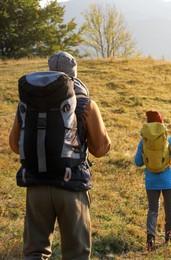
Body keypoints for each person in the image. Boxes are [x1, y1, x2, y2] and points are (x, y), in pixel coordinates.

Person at [9, 51, 111, 259]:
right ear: (74, 72)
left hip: (36, 185)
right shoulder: (85, 103)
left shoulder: (28, 102)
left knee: (34, 253)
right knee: (76, 254)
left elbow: (14, 145)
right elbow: (100, 150)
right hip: (70, 186)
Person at [134, 110, 171, 251]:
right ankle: (169, 237)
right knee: (169, 209)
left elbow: (138, 162)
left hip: (151, 181)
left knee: (153, 209)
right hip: (169, 180)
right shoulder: (168, 138)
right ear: (161, 121)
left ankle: (150, 238)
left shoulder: (143, 140)